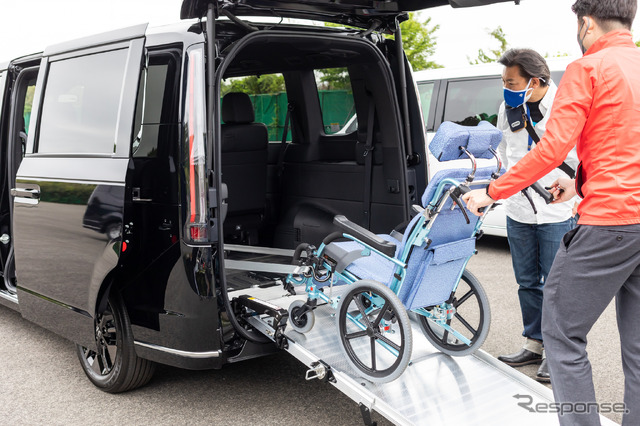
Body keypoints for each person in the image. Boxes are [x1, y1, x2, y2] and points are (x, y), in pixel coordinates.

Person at [462, 1, 640, 424]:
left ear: (586, 23)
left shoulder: (588, 67)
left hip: (609, 223)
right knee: (636, 346)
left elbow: (552, 147)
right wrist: (578, 181)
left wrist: (492, 192)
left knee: (561, 336)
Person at [493, 49, 578, 384]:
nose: (506, 88)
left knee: (556, 286)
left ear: (536, 81)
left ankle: (557, 354)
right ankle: (534, 343)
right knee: (527, 281)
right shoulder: (508, 108)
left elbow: (574, 154)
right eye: (503, 81)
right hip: (518, 208)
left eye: (511, 82)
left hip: (556, 209)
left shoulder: (564, 106)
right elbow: (504, 151)